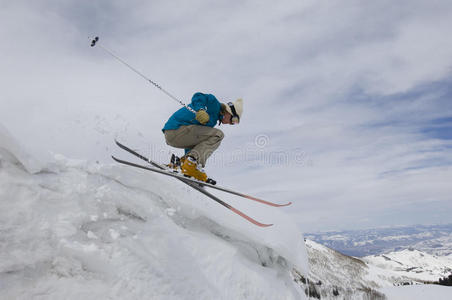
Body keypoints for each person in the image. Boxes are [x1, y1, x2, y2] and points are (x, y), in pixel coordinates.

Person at [162, 92, 243, 182]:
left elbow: (196, 143)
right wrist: (200, 110)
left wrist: (187, 159)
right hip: (176, 129)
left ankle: (185, 164)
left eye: (234, 123)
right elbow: (198, 96)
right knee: (218, 135)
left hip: (176, 135)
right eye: (234, 120)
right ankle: (191, 164)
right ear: (229, 111)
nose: (231, 123)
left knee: (208, 138)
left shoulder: (213, 120)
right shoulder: (214, 103)